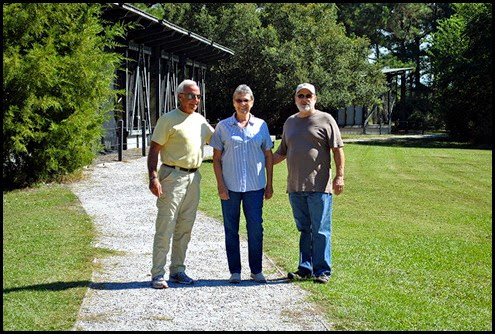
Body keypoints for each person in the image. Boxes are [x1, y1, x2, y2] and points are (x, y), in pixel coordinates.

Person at [273, 83, 345, 284]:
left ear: (315, 98)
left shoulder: (325, 119)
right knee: (304, 229)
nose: (304, 99)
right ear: (295, 99)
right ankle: (304, 269)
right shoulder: (290, 122)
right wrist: (260, 160)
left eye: (308, 95)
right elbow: (281, 153)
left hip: (319, 187)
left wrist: (339, 177)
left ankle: (322, 271)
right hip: (295, 187)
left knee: (321, 230)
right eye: (300, 95)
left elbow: (338, 150)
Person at [147, 79, 214, 289]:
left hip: (194, 178)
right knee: (165, 225)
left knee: (185, 226)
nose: (195, 100)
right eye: (191, 95)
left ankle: (178, 270)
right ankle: (158, 273)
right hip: (172, 177)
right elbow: (154, 150)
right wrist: (153, 177)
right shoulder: (168, 120)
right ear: (180, 97)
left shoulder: (201, 121)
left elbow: (219, 140)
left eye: (198, 96)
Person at [210, 84, 274, 284]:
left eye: (246, 100)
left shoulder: (261, 125)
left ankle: (256, 270)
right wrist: (221, 185)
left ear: (252, 102)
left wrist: (270, 183)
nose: (242, 104)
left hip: (255, 187)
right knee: (231, 229)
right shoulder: (223, 127)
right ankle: (235, 271)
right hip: (230, 186)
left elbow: (268, 156)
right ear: (233, 103)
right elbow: (216, 159)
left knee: (255, 228)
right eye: (239, 100)